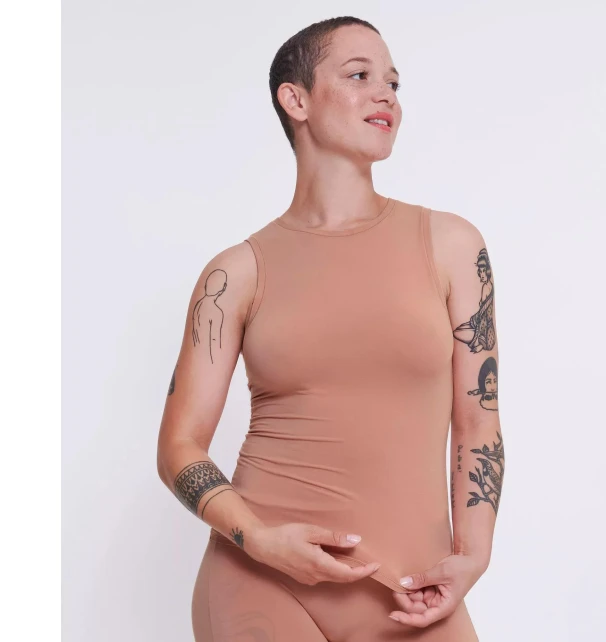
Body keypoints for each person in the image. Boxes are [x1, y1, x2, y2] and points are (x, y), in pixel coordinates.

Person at [156, 15, 505, 642]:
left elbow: (478, 420)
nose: (386, 95)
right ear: (296, 100)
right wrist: (258, 539)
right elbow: (180, 446)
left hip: (413, 590)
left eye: (393, 83)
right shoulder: (236, 273)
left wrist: (473, 556)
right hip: (263, 579)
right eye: (359, 76)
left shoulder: (452, 245)